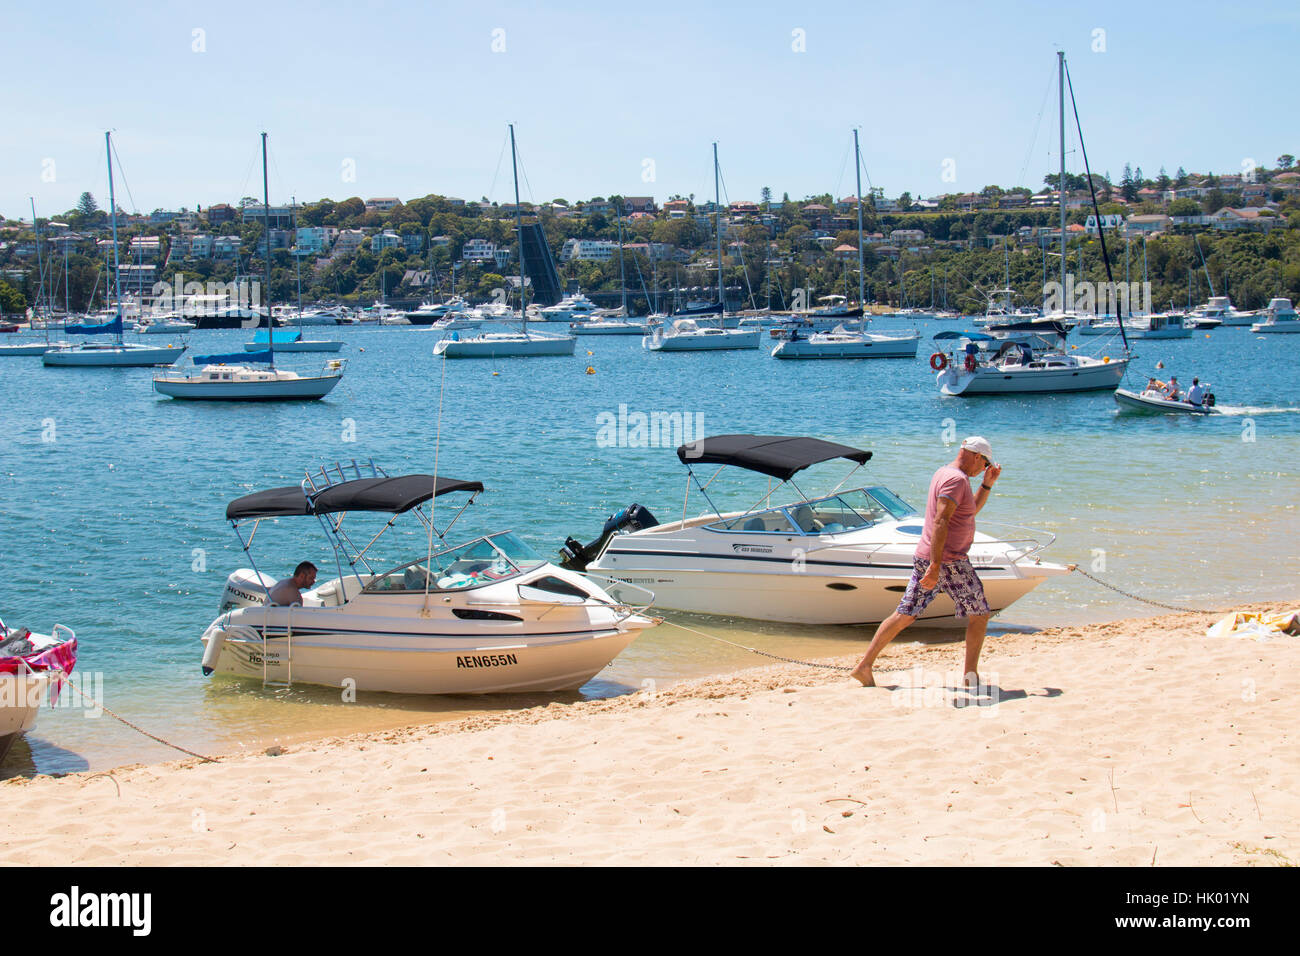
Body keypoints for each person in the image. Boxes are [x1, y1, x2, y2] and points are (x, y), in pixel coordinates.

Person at [851, 437, 1001, 689]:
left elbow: (968, 512)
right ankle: (970, 677)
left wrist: (986, 485)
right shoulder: (956, 479)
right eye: (984, 464)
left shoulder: (945, 473)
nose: (982, 470)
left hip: (933, 558)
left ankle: (864, 666)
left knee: (905, 614)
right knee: (980, 613)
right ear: (977, 456)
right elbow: (941, 521)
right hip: (948, 561)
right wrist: (935, 565)